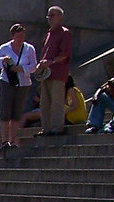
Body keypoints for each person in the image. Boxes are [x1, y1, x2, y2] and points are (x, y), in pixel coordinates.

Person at [0, 23, 38, 148]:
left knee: (17, 111)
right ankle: (4, 140)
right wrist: (2, 61)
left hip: (23, 83)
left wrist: (21, 68)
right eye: (18, 36)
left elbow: (34, 66)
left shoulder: (29, 49)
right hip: (7, 81)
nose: (20, 39)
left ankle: (12, 139)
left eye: (22, 36)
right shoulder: (5, 48)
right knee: (6, 110)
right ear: (13, 36)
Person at [35, 6, 73, 136]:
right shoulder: (49, 34)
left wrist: (51, 61)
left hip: (57, 73)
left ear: (60, 17)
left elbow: (65, 54)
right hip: (45, 74)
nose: (50, 18)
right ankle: (46, 128)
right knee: (44, 102)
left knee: (56, 101)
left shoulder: (65, 33)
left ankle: (57, 128)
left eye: (53, 15)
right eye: (48, 16)